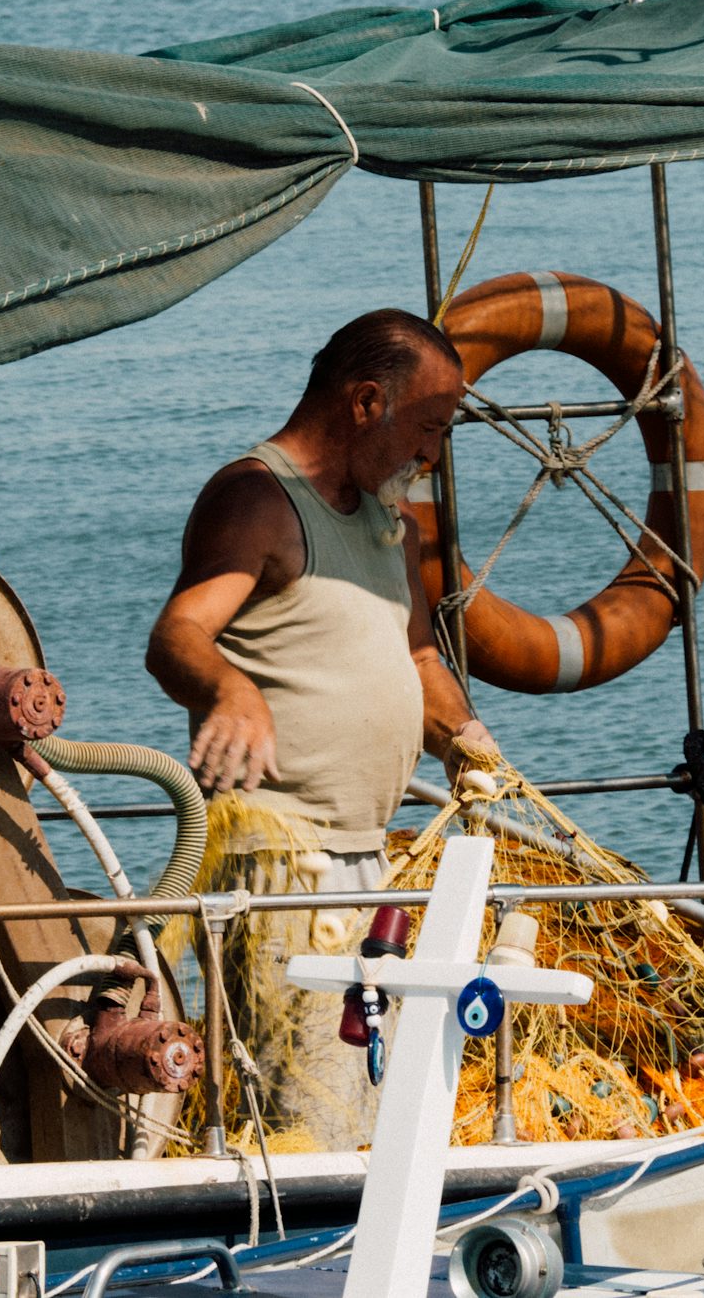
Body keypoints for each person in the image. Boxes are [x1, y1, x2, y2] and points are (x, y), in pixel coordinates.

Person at [146, 307, 495, 1147]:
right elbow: (177, 636)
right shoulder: (257, 500)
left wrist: (465, 735)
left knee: (371, 1100)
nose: (433, 454)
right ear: (367, 402)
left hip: (367, 860)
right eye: (430, 428)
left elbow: (416, 656)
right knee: (303, 1114)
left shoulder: (392, 527)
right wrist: (230, 689)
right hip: (283, 868)